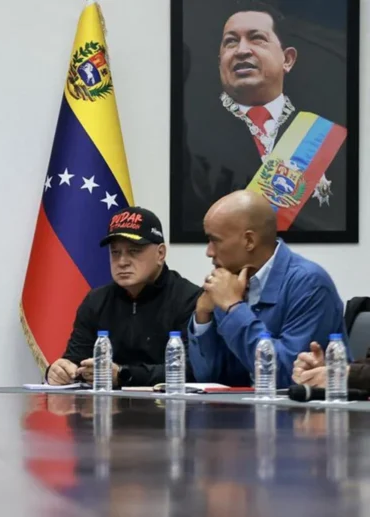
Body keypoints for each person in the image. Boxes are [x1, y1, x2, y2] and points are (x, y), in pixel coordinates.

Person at [179, 1, 346, 234]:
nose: (241, 50)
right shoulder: (195, 137)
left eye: (256, 38)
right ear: (220, 62)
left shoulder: (324, 135)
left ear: (287, 59)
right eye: (231, 41)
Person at [188, 191, 347, 388]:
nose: (209, 251)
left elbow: (288, 378)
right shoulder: (230, 280)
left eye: (215, 240)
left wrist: (234, 307)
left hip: (301, 416)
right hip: (239, 412)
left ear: (249, 241)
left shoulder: (309, 284)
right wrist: (203, 316)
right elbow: (209, 378)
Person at [45, 207, 202, 388]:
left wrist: (123, 375)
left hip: (169, 410)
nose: (122, 262)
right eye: (115, 252)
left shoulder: (189, 298)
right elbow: (75, 361)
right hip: (106, 411)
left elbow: (191, 370)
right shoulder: (96, 301)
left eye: (134, 251)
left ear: (160, 254)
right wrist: (59, 372)